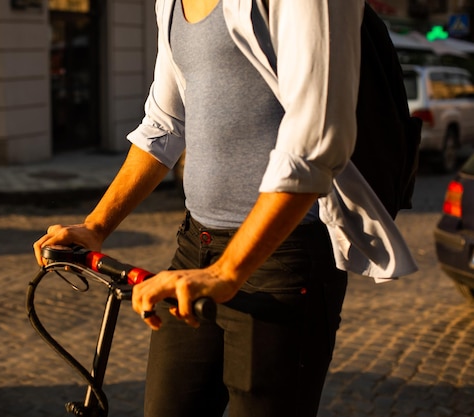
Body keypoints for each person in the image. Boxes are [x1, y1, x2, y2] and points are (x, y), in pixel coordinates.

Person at [33, 1, 418, 416]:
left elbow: (316, 138)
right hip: (195, 246)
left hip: (285, 260)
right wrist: (96, 226)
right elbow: (165, 122)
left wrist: (228, 271)